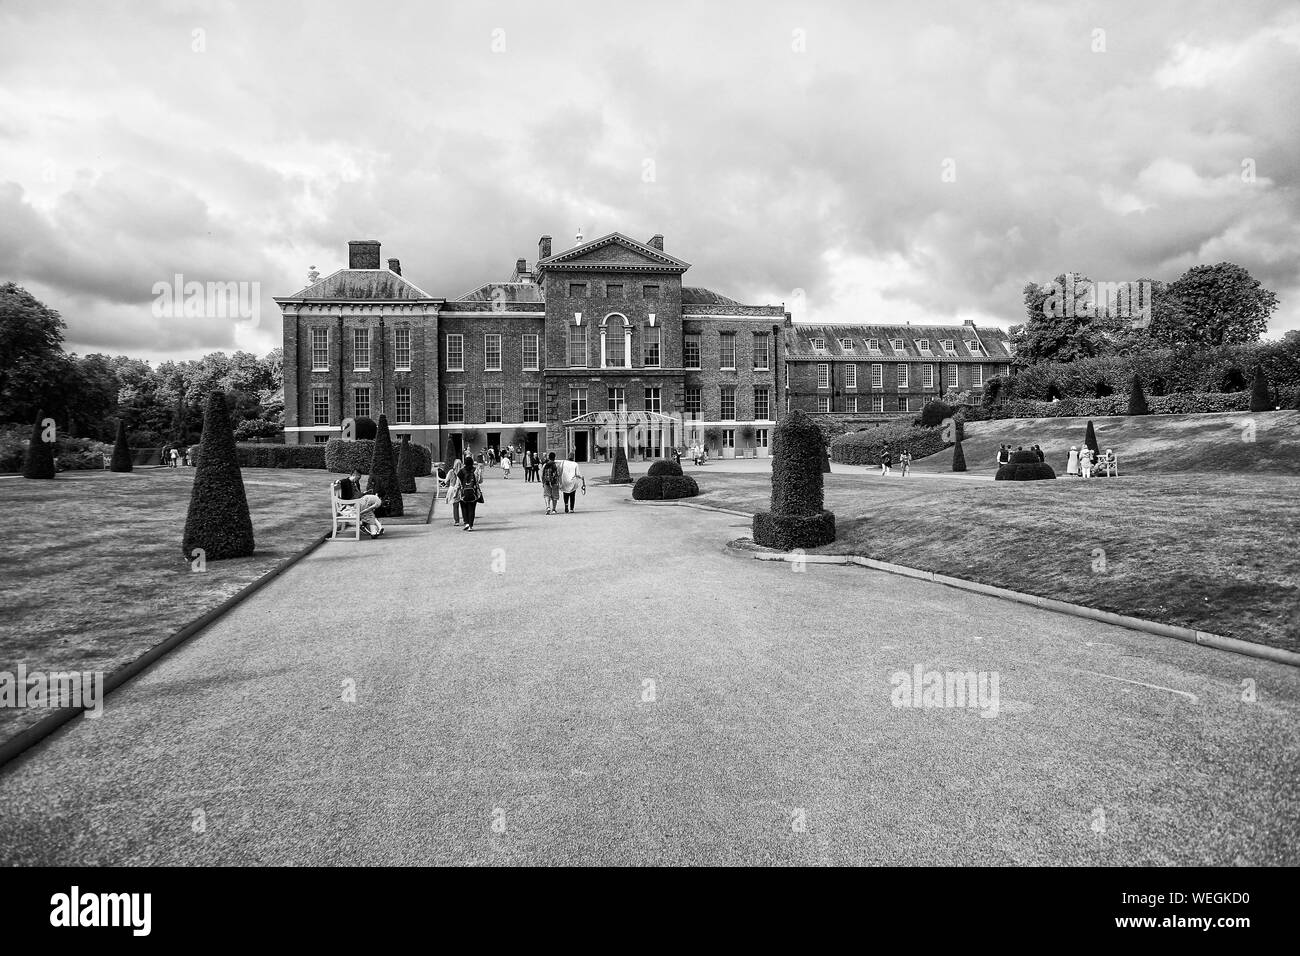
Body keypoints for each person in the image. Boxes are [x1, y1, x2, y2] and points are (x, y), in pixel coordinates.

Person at [336, 468, 384, 537]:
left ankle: (372, 529)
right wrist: (337, 481)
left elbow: (357, 494)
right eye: (359, 477)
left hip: (358, 502)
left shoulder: (356, 483)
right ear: (354, 475)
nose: (359, 479)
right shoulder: (345, 482)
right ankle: (374, 528)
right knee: (367, 507)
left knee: (367, 506)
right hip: (351, 504)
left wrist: (364, 493)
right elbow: (339, 482)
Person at [458, 457, 483, 531]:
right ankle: (470, 526)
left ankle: (466, 523)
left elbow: (458, 482)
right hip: (473, 492)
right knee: (472, 509)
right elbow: (480, 481)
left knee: (464, 508)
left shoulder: (461, 471)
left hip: (463, 493)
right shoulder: (475, 470)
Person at [445, 457, 464, 526]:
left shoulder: (451, 471)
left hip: (453, 489)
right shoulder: (463, 471)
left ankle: (457, 521)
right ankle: (465, 520)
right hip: (461, 489)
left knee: (455, 506)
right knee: (463, 506)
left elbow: (446, 480)